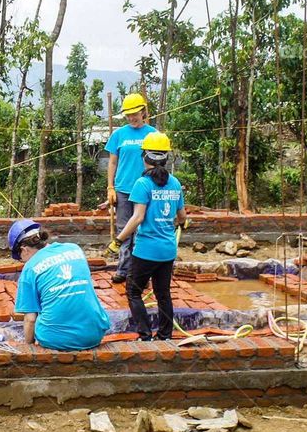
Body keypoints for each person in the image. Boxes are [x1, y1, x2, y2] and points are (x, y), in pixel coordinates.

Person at [109, 132, 186, 341]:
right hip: (168, 250)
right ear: (166, 157)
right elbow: (182, 217)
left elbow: (137, 218)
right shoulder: (175, 183)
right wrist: (177, 225)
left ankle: (144, 335)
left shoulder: (142, 184)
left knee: (133, 292)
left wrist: (117, 241)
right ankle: (165, 336)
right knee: (163, 294)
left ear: (145, 156)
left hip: (145, 251)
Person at [10, 219, 111, 351]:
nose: (22, 262)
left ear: (24, 249)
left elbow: (30, 319)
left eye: (20, 258)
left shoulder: (29, 269)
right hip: (94, 334)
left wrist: (28, 349)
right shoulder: (74, 249)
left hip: (55, 340)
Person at [105, 93, 157, 284]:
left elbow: (159, 163)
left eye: (135, 114)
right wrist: (110, 187)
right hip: (124, 190)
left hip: (146, 189)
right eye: (128, 115)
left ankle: (144, 272)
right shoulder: (119, 134)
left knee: (145, 230)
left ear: (144, 111)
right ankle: (123, 270)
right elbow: (112, 163)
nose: (132, 118)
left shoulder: (153, 134)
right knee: (124, 231)